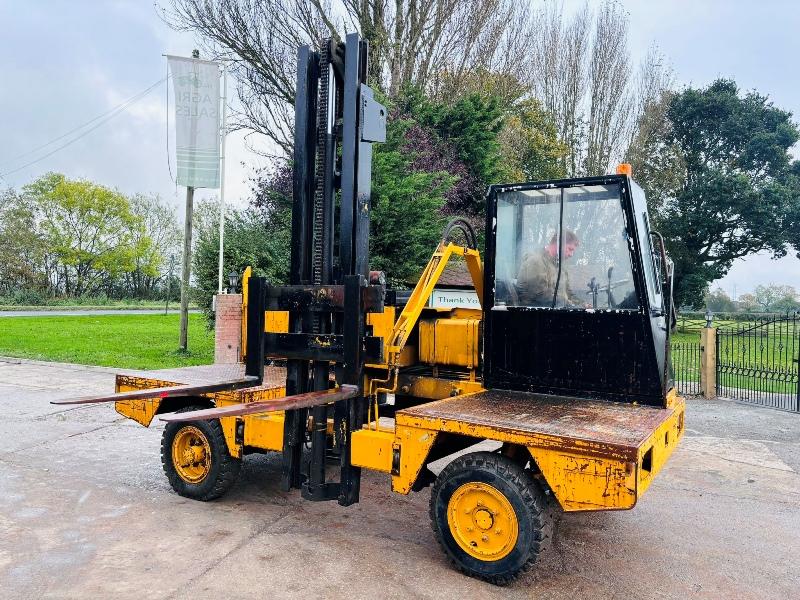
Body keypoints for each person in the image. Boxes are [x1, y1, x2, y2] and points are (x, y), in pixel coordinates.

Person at [517, 230, 584, 307]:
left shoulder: (560, 268)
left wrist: (582, 304)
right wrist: (569, 304)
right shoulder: (536, 261)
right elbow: (540, 294)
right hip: (536, 315)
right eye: (570, 249)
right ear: (559, 244)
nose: (571, 254)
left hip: (557, 311)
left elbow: (568, 293)